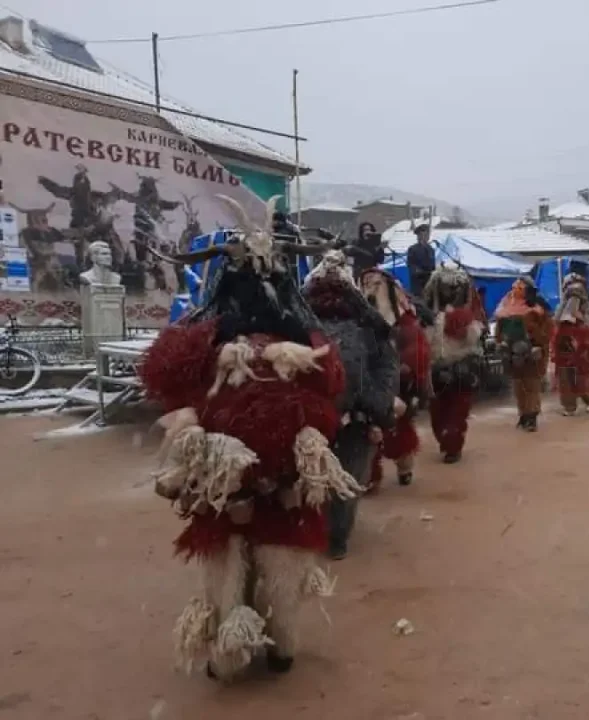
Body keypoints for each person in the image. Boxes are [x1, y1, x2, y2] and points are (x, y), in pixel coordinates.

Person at [138, 195, 360, 682]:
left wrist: (309, 433)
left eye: (271, 270)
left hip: (284, 470)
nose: (262, 279)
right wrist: (193, 433)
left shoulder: (305, 343)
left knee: (281, 560)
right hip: (221, 473)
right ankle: (227, 644)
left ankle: (280, 641)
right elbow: (168, 380)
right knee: (225, 563)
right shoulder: (207, 342)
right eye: (249, 270)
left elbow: (330, 387)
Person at [303, 250, 400, 560]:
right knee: (310, 477)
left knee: (347, 478)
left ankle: (337, 535)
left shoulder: (370, 325)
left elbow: (386, 365)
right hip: (307, 417)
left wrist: (376, 403)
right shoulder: (297, 324)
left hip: (356, 415)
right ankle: (316, 530)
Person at [360, 268, 433, 489]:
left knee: (398, 428)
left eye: (377, 284)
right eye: (368, 283)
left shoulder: (404, 320)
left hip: (398, 383)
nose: (373, 288)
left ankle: (404, 467)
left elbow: (417, 348)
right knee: (367, 431)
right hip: (368, 381)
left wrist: (406, 368)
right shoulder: (360, 317)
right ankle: (369, 475)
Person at [423, 264, 485, 462]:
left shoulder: (465, 318)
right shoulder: (429, 317)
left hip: (460, 367)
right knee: (437, 413)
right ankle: (446, 440)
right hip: (435, 371)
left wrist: (461, 322)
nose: (450, 292)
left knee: (457, 411)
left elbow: (472, 338)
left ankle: (453, 446)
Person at [494, 277, 553, 430]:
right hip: (513, 352)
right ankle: (523, 415)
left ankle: (531, 416)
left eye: (521, 286)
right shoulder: (507, 303)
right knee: (518, 385)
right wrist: (501, 342)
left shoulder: (538, 305)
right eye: (516, 286)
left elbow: (548, 328)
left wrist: (538, 342)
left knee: (531, 384)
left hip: (534, 351)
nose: (517, 288)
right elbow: (499, 328)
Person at [553, 273, 589, 414]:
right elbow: (556, 322)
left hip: (582, 347)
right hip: (564, 345)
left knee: (581, 375)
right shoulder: (561, 308)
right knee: (566, 376)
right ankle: (570, 406)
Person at [406, 223, 436, 297]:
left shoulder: (431, 249)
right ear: (419, 236)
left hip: (429, 283)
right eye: (424, 234)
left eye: (428, 234)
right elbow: (410, 265)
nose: (427, 236)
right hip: (418, 284)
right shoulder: (413, 249)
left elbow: (433, 265)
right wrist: (417, 270)